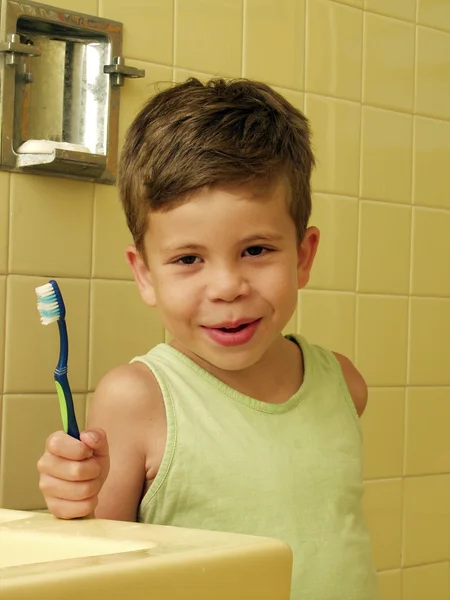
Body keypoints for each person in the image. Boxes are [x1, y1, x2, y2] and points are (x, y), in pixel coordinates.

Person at [37, 77, 379, 599]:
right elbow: (92, 572)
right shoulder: (138, 400)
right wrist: (74, 499)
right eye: (188, 259)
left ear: (303, 255)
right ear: (146, 273)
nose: (226, 288)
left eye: (257, 250)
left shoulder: (344, 385)